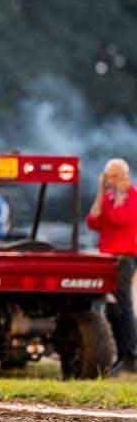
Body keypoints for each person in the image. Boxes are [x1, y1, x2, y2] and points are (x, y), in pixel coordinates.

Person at [86, 158, 137, 374]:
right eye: (108, 177)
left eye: (114, 176)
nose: (110, 181)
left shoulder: (133, 198)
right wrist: (101, 191)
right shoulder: (108, 197)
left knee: (122, 305)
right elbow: (93, 221)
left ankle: (130, 354)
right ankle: (121, 353)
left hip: (125, 257)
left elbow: (119, 219)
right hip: (108, 257)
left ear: (124, 176)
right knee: (112, 308)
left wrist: (117, 197)